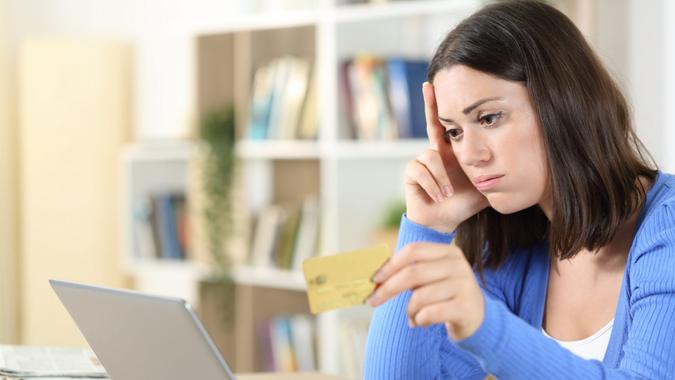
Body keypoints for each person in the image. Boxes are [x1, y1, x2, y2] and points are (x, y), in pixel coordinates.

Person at [363, 1, 675, 379]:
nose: (469, 155)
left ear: (563, 102)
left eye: (489, 118)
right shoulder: (512, 247)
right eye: (454, 132)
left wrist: (485, 327)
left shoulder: (666, 227)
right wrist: (425, 227)